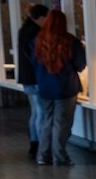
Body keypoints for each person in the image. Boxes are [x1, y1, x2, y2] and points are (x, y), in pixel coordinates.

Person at [27, 9, 86, 167]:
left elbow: (33, 63)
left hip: (44, 87)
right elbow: (80, 65)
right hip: (65, 88)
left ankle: (42, 155)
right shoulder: (70, 41)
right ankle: (60, 157)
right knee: (62, 123)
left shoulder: (37, 41)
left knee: (48, 121)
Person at [16, 3, 49, 161]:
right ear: (41, 17)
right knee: (41, 113)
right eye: (46, 18)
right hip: (36, 77)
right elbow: (39, 56)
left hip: (26, 77)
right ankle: (41, 148)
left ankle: (34, 145)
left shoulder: (23, 30)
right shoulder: (36, 32)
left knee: (35, 112)